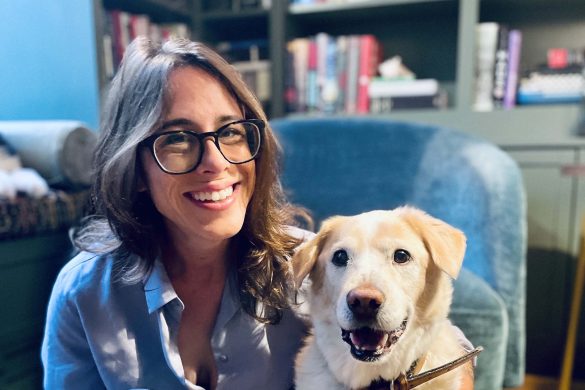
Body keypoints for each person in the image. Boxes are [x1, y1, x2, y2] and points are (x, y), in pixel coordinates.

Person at [42, 37, 474, 389]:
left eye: (231, 131)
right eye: (177, 138)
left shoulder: (313, 267)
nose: (216, 163)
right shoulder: (84, 294)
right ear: (133, 168)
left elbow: (437, 340)